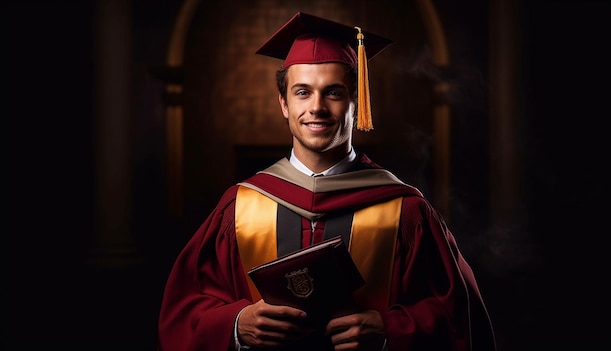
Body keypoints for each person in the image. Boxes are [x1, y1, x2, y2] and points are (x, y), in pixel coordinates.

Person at [157, 11, 497, 351]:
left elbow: (458, 316)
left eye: (333, 93)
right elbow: (184, 312)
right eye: (302, 93)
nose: (316, 107)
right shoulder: (240, 206)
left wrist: (390, 330)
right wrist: (234, 325)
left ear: (355, 102)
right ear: (284, 104)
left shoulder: (404, 211)